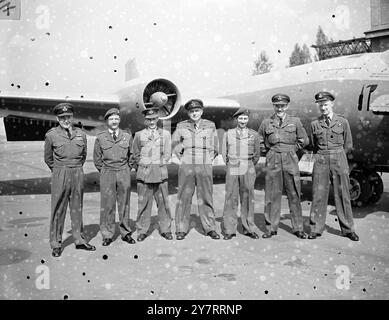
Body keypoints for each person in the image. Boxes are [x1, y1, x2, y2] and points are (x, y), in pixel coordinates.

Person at [44, 103, 96, 257]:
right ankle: (56, 243)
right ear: (57, 118)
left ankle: (79, 240)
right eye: (62, 118)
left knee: (77, 207)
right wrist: (60, 171)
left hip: (77, 172)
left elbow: (83, 155)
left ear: (72, 117)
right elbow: (48, 158)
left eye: (68, 117)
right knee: (58, 209)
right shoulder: (51, 135)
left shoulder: (81, 134)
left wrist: (75, 169)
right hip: (60, 172)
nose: (66, 120)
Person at [308, 91, 359, 241]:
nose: (323, 108)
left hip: (339, 158)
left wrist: (338, 156)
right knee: (318, 195)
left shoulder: (342, 122)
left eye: (325, 104)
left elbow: (348, 144)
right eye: (320, 105)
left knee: (343, 195)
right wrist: (323, 155)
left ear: (332, 104)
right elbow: (313, 145)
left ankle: (348, 229)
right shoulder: (314, 124)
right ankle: (315, 228)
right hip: (321, 159)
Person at [258, 94, 309, 239]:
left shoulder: (295, 121)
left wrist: (292, 150)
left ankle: (298, 228)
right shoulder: (266, 122)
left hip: (290, 159)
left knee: (294, 193)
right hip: (273, 158)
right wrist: (269, 152)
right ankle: (271, 227)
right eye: (277, 106)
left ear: (287, 106)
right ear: (273, 106)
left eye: (282, 106)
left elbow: (304, 140)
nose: (280, 108)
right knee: (272, 194)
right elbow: (260, 140)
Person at [172, 99, 220, 240]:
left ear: (202, 111)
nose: (194, 113)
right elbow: (175, 142)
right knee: (184, 196)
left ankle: (210, 228)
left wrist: (208, 158)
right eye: (192, 111)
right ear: (188, 112)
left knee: (206, 196)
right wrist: (183, 156)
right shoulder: (182, 126)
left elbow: (215, 145)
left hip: (204, 162)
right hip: (187, 163)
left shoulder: (210, 125)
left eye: (197, 111)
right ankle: (181, 228)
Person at [93, 108, 135, 246]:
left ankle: (125, 233)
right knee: (107, 205)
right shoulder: (100, 138)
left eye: (116, 119)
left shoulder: (127, 136)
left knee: (124, 204)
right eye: (111, 119)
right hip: (108, 172)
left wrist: (126, 169)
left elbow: (132, 156)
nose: (114, 121)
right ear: (107, 121)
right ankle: (107, 234)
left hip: (123, 171)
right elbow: (97, 159)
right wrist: (105, 171)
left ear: (119, 120)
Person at [131, 107, 173, 241]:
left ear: (157, 119)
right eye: (149, 119)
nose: (152, 122)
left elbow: (167, 154)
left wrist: (158, 163)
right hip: (144, 173)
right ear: (145, 121)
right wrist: (143, 165)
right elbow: (135, 154)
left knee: (163, 203)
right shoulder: (139, 135)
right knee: (144, 203)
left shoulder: (165, 134)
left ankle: (166, 229)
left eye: (154, 119)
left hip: (160, 173)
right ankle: (142, 230)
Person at [221, 107, 261, 240]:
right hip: (233, 165)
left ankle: (249, 227)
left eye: (245, 118)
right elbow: (224, 153)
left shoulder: (254, 135)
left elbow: (256, 155)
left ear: (248, 119)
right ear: (236, 119)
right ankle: (229, 229)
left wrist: (248, 164)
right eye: (240, 118)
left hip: (248, 165)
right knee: (231, 197)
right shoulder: (228, 134)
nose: (243, 121)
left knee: (248, 197)